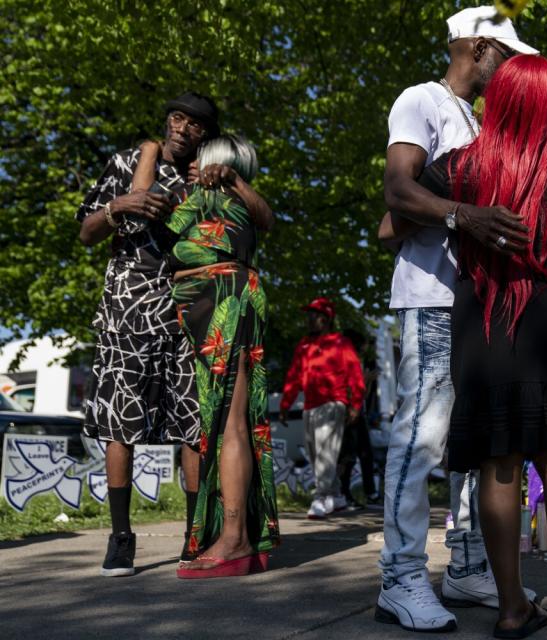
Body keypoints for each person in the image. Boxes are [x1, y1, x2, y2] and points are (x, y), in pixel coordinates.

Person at [416, 55, 547, 639]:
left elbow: (398, 206)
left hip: (482, 321)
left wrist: (457, 215)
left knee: (497, 461)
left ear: (496, 102)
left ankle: (510, 609)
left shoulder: (458, 170)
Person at [375, 5, 538, 634]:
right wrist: (462, 215)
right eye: (505, 55)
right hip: (431, 297)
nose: (509, 69)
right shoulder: (422, 100)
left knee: (475, 442)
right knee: (422, 436)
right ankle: (401, 576)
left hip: (479, 302)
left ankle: (467, 565)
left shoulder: (478, 116)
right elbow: (397, 191)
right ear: (475, 47)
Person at [76, 92, 217, 576]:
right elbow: (87, 232)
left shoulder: (207, 177)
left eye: (196, 124)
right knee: (120, 418)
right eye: (178, 118)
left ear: (205, 135)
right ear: (167, 121)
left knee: (193, 422)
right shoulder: (127, 162)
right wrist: (122, 204)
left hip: (186, 310)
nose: (184, 128)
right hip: (127, 307)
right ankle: (120, 539)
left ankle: (195, 536)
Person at [127, 133, 279, 578]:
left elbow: (268, 219)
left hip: (224, 298)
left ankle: (236, 539)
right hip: (203, 301)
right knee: (218, 420)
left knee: (231, 420)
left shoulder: (226, 194)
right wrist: (152, 154)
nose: (193, 163)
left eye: (202, 158)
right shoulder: (189, 198)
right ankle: (236, 535)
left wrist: (230, 176)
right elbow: (140, 207)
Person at [280, 297, 365, 519]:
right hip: (310, 406)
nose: (309, 319)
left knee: (326, 454)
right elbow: (294, 376)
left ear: (326, 318)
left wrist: (355, 404)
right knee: (315, 455)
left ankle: (321, 497)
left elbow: (355, 375)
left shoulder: (340, 343)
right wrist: (285, 404)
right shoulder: (304, 344)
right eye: (308, 314)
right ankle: (337, 497)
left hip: (333, 404)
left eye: (314, 315)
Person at [338, 328, 381, 508]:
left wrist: (369, 381)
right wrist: (366, 379)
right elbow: (350, 387)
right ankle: (344, 494)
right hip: (348, 412)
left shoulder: (358, 361)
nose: (365, 349)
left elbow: (364, 394)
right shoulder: (345, 361)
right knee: (348, 456)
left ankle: (370, 493)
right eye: (363, 345)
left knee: (365, 454)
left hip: (359, 411)